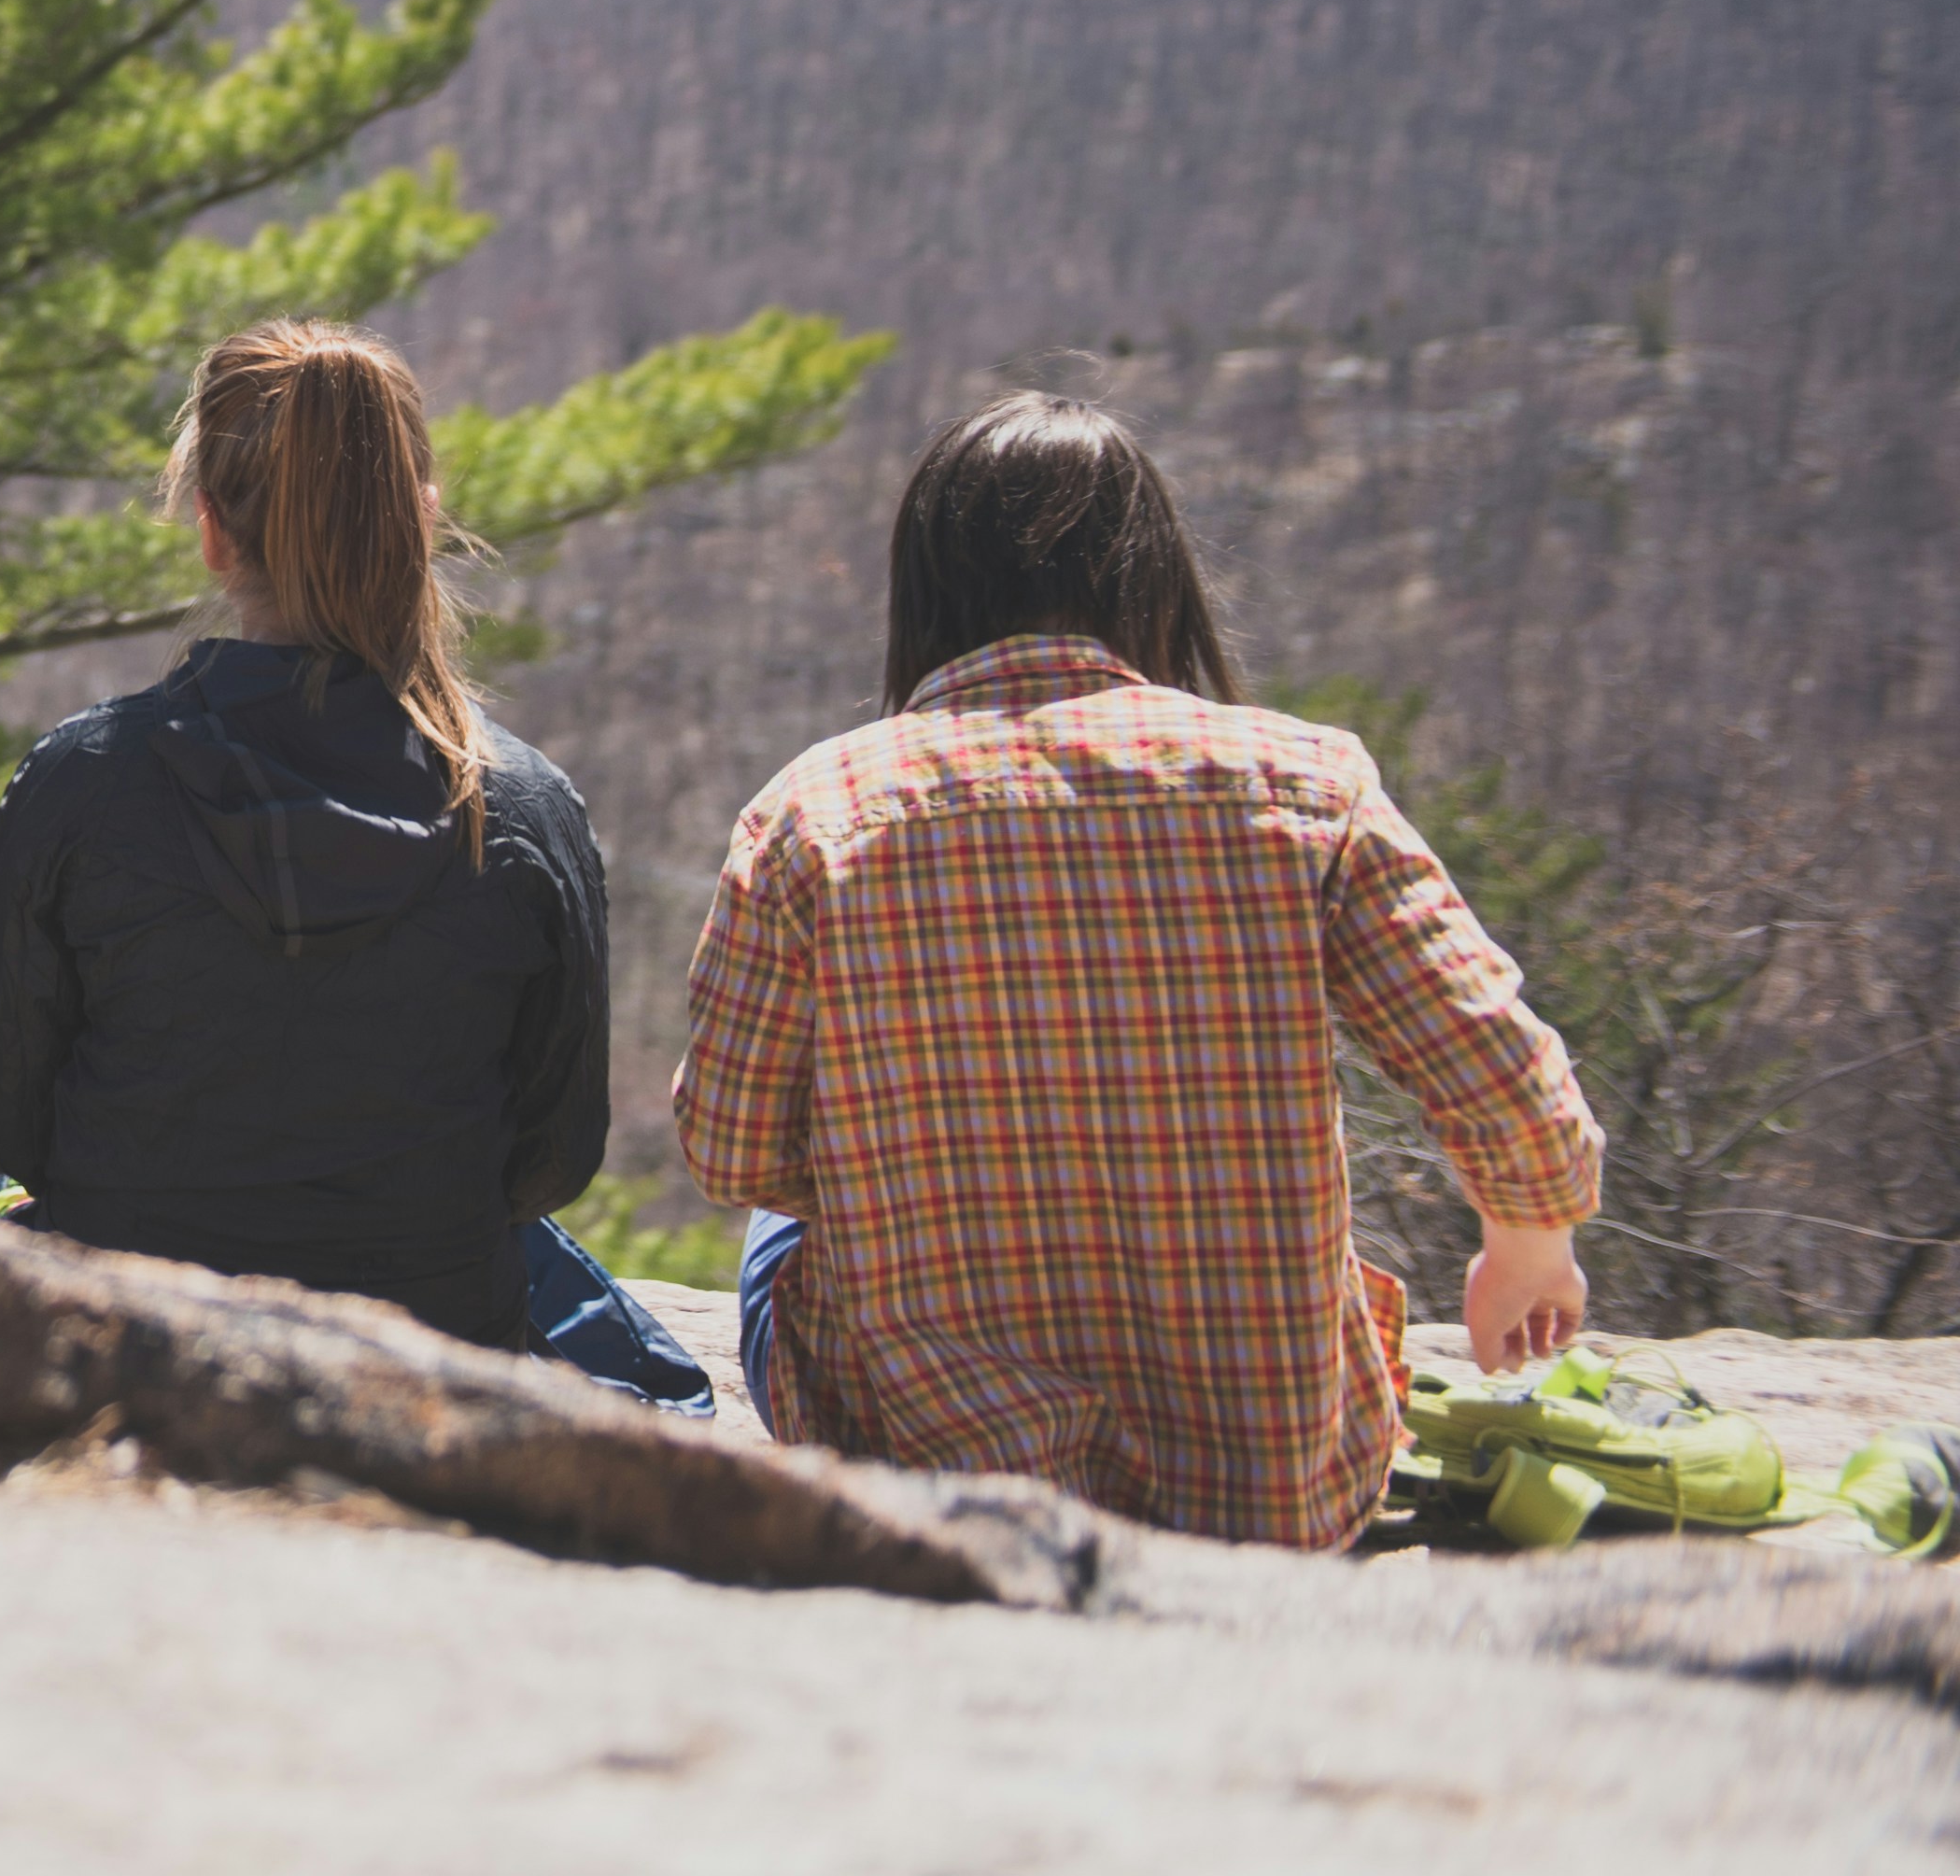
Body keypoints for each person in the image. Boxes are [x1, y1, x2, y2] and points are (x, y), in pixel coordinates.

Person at [676, 392, 1603, 1552]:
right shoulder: (1304, 779)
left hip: (928, 1467)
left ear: (924, 590)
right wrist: (1529, 1235)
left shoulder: (816, 809)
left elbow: (729, 1147)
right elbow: (1491, 1054)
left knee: (783, 1213)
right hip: (1270, 1484)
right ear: (1152, 579)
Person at [0, 319, 632, 1361]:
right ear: (422, 522)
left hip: (135, 1344)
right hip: (430, 1363)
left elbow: (4, 1114)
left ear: (211, 528)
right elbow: (551, 1159)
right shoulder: (523, 809)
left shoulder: (82, 782)